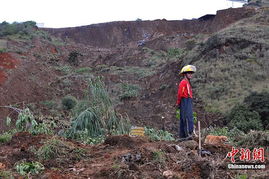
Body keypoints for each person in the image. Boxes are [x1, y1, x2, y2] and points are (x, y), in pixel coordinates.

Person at [176, 65, 196, 140]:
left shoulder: (187, 83)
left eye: (191, 73)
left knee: (188, 116)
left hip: (188, 101)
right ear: (185, 74)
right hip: (185, 100)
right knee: (186, 117)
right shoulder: (183, 82)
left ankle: (185, 135)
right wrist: (178, 103)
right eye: (189, 73)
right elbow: (180, 94)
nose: (190, 74)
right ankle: (187, 135)